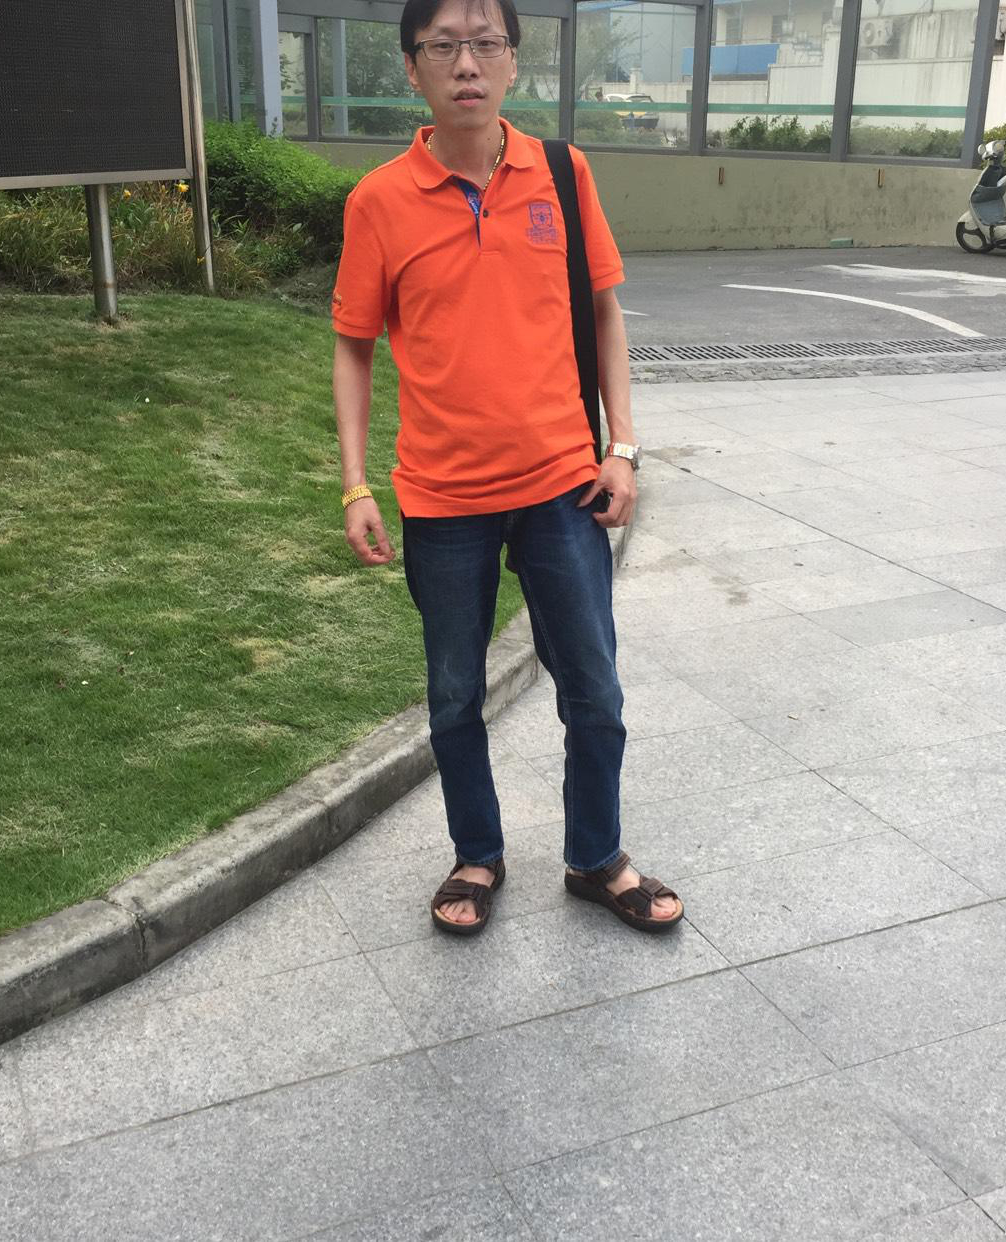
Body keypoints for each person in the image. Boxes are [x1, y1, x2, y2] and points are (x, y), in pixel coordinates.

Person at [330, 0, 683, 936]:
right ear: (412, 67)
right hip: (442, 498)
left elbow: (603, 311)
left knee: (594, 690)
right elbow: (353, 346)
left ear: (513, 62)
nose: (466, 64)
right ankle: (476, 854)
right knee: (455, 694)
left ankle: (596, 858)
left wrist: (621, 448)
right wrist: (355, 483)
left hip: (562, 486)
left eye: (485, 43)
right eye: (443, 46)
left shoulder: (561, 174)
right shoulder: (378, 202)